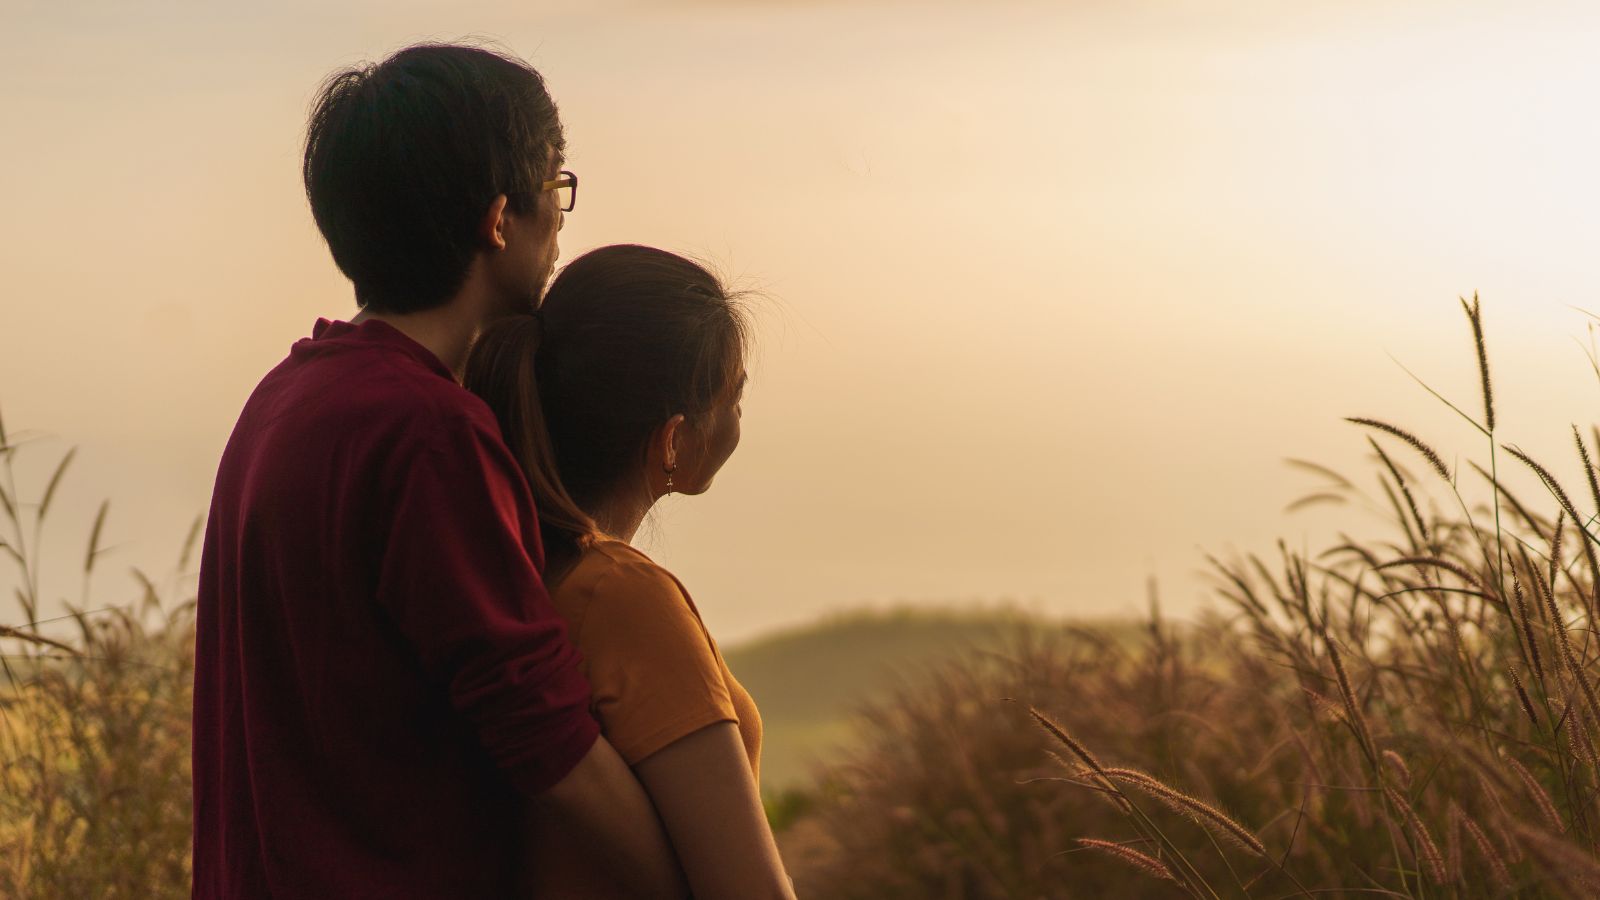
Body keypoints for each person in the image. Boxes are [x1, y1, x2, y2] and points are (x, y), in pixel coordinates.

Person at [192, 45, 683, 898]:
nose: (561, 224)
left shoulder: (284, 398)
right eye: (555, 191)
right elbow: (549, 743)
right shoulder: (423, 432)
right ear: (500, 220)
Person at [463, 244, 797, 899]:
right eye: (734, 397)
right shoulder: (624, 597)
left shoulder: (519, 571)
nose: (736, 419)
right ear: (673, 439)